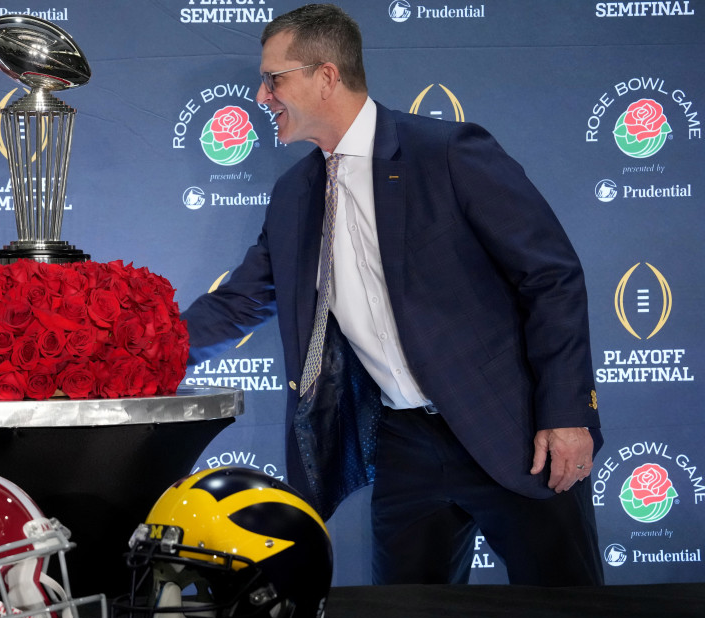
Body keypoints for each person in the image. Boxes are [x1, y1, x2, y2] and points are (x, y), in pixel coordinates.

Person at [182, 5, 603, 586]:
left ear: (327, 76)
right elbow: (239, 303)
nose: (261, 95)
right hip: (404, 443)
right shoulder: (294, 195)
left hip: (513, 429)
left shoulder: (448, 152)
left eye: (274, 78)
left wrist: (565, 413)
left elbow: (550, 277)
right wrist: (138, 356)